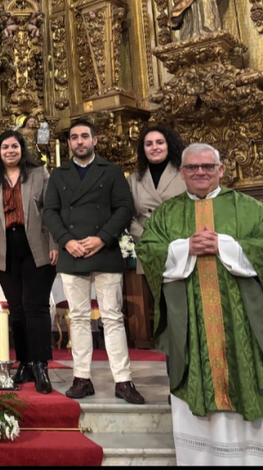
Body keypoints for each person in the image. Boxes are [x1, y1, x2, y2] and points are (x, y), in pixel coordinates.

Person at [137, 144, 263, 465]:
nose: (200, 173)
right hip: (191, 320)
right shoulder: (167, 213)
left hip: (240, 323)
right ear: (182, 174)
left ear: (221, 170)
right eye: (192, 168)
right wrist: (185, 247)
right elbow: (149, 249)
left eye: (208, 166)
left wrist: (225, 244)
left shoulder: (248, 207)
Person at [43, 119, 144, 404]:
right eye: (73, 138)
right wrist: (66, 240)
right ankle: (82, 378)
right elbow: (50, 211)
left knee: (112, 317)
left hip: (106, 250)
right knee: (77, 318)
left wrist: (102, 238)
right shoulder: (59, 174)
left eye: (84, 136)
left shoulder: (111, 171)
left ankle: (123, 381)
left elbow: (124, 208)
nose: (79, 141)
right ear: (69, 143)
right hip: (72, 252)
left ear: (94, 140)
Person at [0, 130, 58, 394]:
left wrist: (55, 244)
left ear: (22, 149)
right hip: (4, 249)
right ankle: (24, 362)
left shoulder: (38, 174)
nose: (10, 150)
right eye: (5, 147)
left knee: (37, 307)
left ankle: (41, 364)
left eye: (14, 146)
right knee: (18, 308)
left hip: (37, 245)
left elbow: (51, 210)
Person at [127, 125, 187, 277]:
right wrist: (147, 238)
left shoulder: (185, 174)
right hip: (150, 249)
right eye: (149, 144)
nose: (155, 147)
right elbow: (128, 216)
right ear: (143, 149)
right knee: (156, 300)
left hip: (182, 246)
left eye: (160, 142)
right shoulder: (133, 180)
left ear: (169, 145)